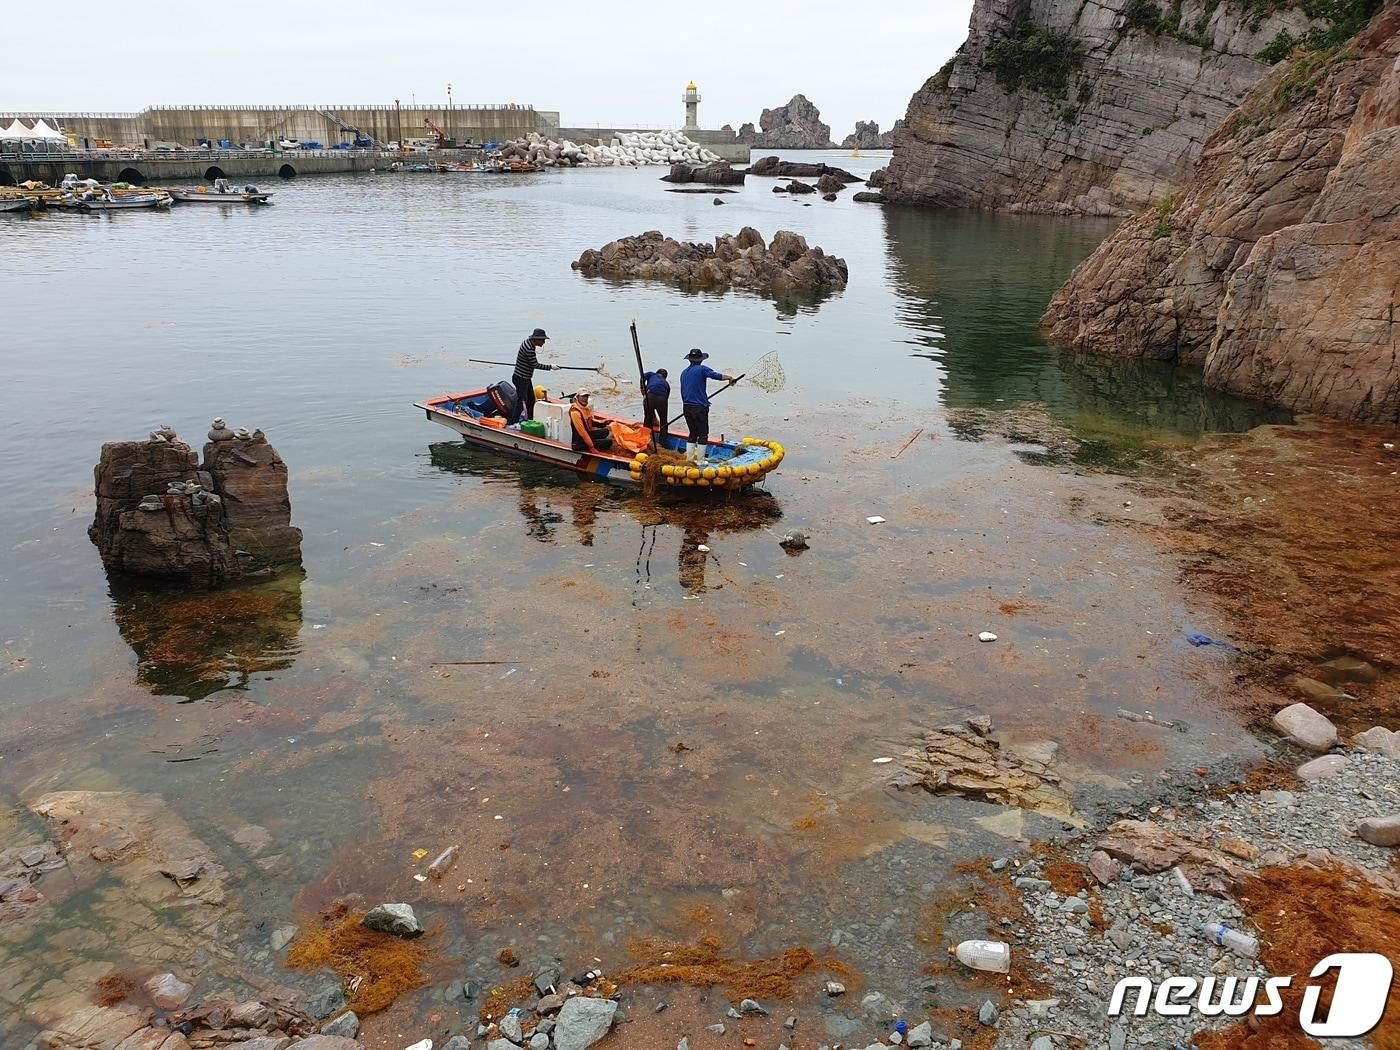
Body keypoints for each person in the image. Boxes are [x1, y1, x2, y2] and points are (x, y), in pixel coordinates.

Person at [679, 349, 735, 456]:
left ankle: (689, 459)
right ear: (701, 360)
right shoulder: (702, 369)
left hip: (686, 407)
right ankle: (700, 462)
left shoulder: (683, 373)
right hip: (699, 408)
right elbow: (716, 376)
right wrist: (729, 378)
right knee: (703, 435)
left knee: (693, 433)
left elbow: (683, 391)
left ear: (689, 360)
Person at [513, 328, 557, 422]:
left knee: (531, 400)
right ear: (536, 339)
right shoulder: (529, 349)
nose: (544, 342)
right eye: (543, 340)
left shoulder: (528, 343)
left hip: (525, 377)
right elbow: (535, 365)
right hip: (521, 378)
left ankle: (530, 420)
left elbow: (529, 362)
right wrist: (550, 367)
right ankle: (513, 422)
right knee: (522, 402)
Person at [642, 368, 670, 433]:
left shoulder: (651, 374)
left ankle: (646, 435)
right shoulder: (666, 384)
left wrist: (642, 388)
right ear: (665, 377)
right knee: (663, 420)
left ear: (656, 373)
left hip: (650, 397)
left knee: (648, 419)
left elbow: (642, 376)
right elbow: (666, 398)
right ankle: (663, 438)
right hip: (662, 399)